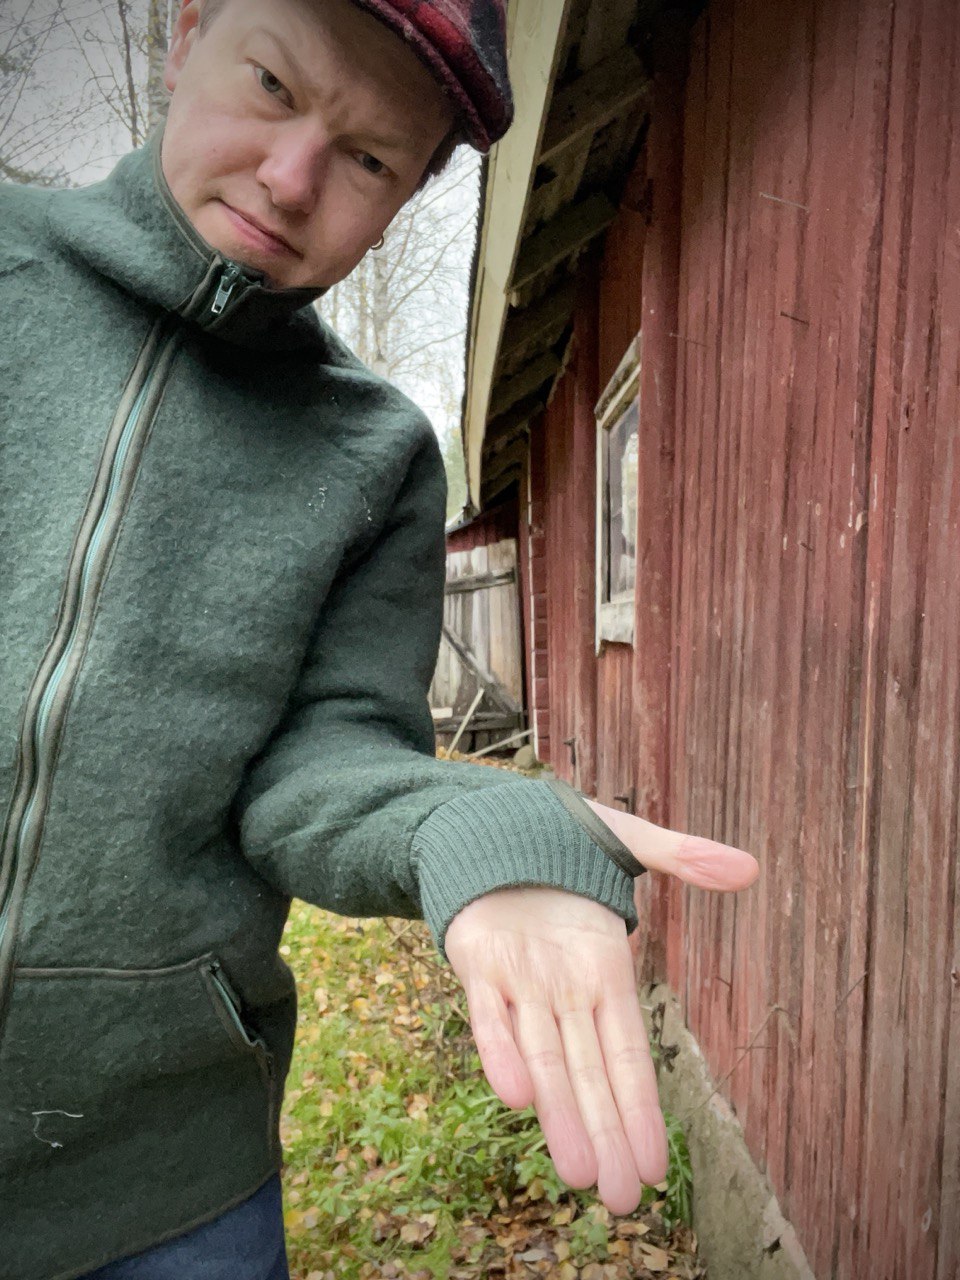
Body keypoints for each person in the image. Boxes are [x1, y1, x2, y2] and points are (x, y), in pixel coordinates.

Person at [0, 1, 759, 1277]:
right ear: (187, 31)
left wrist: (467, 825)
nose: (291, 178)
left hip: (165, 1183)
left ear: (408, 196)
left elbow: (324, 759)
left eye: (367, 160)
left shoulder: (378, 457)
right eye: (272, 81)